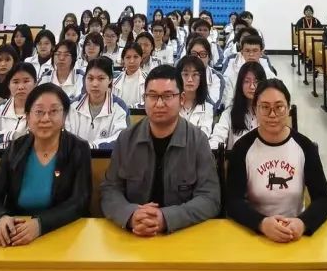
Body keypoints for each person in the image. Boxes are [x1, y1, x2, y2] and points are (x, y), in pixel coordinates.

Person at [100, 65, 221, 236]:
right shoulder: (126, 139)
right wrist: (131, 215)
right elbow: (110, 190)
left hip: (181, 235)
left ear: (182, 99)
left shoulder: (198, 140)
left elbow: (210, 198)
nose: (159, 103)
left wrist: (166, 218)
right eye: (152, 96)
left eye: (167, 96)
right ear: (144, 98)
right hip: (134, 235)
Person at [0, 84, 92, 245]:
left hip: (63, 233)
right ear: (27, 116)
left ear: (64, 117)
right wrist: (0, 217)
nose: (45, 118)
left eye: (53, 111)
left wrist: (40, 224)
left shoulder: (78, 148)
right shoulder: (16, 148)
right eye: (39, 112)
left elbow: (79, 202)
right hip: (17, 233)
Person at [225, 79, 327, 242]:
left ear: (288, 109)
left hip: (294, 234)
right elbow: (233, 201)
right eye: (265, 107)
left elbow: (323, 200)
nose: (272, 114)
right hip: (254, 234)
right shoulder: (242, 148)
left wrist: (302, 223)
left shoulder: (305, 147)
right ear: (255, 110)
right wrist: (261, 223)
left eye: (279, 107)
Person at [65, 56, 129, 148]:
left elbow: (121, 138)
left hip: (107, 157)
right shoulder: (73, 106)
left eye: (101, 78)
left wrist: (93, 146)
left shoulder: (119, 107)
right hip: (76, 155)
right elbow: (66, 137)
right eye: (90, 78)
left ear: (110, 80)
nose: (95, 84)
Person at [0, 63, 38, 147]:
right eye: (15, 82)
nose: (20, 87)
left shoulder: (42, 112)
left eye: (26, 81)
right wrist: (10, 135)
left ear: (35, 84)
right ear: (8, 85)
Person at [211, 62, 266, 150]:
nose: (252, 86)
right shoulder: (230, 112)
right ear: (240, 84)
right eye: (247, 81)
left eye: (256, 82)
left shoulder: (269, 113)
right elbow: (218, 137)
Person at [221, 32, 277, 105]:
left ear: (261, 53)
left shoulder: (270, 76)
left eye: (255, 51)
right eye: (247, 51)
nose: (251, 54)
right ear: (242, 52)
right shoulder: (233, 76)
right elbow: (228, 103)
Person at [176, 55, 215, 137]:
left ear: (201, 78)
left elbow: (204, 137)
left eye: (195, 75)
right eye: (185, 74)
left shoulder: (208, 108)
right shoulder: (172, 104)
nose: (190, 79)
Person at [187, 38, 227, 108]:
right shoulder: (180, 74)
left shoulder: (217, 78)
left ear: (209, 57)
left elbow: (213, 106)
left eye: (203, 54)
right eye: (194, 54)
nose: (198, 58)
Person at [112, 43, 147, 108]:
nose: (132, 61)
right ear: (123, 59)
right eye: (128, 57)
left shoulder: (148, 80)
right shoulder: (114, 81)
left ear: (141, 58)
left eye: (136, 57)